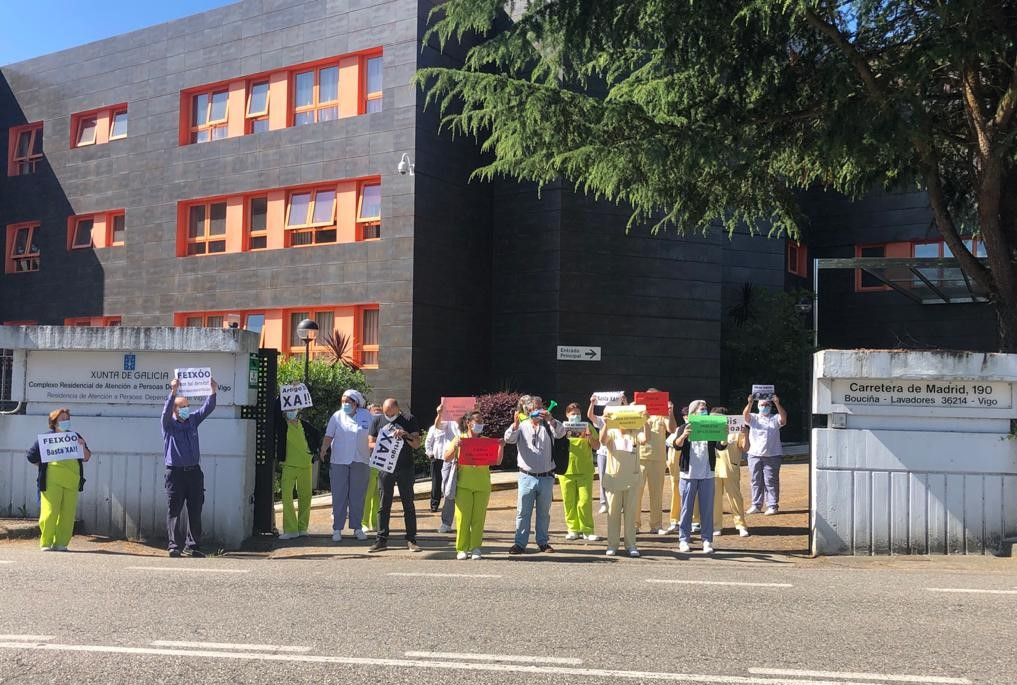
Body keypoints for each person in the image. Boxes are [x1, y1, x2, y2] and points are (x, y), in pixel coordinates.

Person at [161, 377, 217, 558]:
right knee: (174, 510)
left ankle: (192, 546)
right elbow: (165, 412)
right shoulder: (168, 425)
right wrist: (173, 392)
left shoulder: (193, 420)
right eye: (182, 407)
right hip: (175, 473)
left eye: (187, 406)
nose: (186, 409)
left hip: (193, 472)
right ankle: (173, 545)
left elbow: (207, 409)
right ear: (175, 409)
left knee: (195, 509)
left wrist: (213, 391)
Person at [504, 395, 564, 554]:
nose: (539, 411)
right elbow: (508, 439)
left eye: (540, 408)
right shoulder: (522, 426)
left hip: (546, 476)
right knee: (523, 512)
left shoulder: (548, 424)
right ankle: (520, 544)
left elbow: (561, 433)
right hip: (526, 476)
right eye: (535, 409)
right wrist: (514, 425)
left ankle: (543, 542)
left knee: (543, 513)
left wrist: (551, 419)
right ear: (528, 410)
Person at [25, 408, 91, 551]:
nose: (65, 421)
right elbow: (31, 456)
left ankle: (61, 543)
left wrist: (82, 445)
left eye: (67, 419)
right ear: (54, 422)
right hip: (51, 481)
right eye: (61, 419)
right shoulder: (46, 439)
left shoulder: (75, 437)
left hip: (72, 480)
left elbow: (86, 457)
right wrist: (42, 466)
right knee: (50, 511)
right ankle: (46, 542)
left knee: (68, 513)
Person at [443, 410, 504, 559]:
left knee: (478, 518)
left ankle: (476, 547)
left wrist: (501, 447)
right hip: (463, 485)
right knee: (463, 518)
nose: (480, 424)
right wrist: (455, 446)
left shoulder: (485, 441)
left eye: (482, 421)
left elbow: (497, 461)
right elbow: (446, 457)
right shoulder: (460, 438)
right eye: (477, 421)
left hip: (482, 485)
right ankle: (462, 548)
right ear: (469, 423)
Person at [368, 398, 422, 553]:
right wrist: (385, 441)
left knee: (408, 504)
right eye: (386, 414)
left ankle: (411, 539)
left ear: (398, 409)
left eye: (391, 414)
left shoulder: (408, 419)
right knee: (383, 505)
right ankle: (381, 540)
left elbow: (417, 444)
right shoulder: (377, 420)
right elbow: (370, 443)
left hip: (405, 467)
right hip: (385, 468)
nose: (388, 416)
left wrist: (405, 435)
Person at [669, 399, 723, 554]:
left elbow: (720, 446)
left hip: (707, 473)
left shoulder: (711, 426)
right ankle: (684, 539)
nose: (704, 411)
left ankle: (707, 540)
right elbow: (676, 446)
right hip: (688, 474)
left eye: (705, 409)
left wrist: (724, 435)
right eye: (701, 409)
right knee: (686, 508)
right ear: (693, 412)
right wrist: (684, 436)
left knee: (707, 509)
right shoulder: (684, 427)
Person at [320, 389, 373, 542]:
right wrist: (324, 449)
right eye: (343, 402)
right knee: (339, 495)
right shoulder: (337, 416)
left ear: (356, 403)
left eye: (347, 402)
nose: (345, 404)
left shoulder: (366, 416)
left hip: (361, 460)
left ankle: (357, 528)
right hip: (339, 461)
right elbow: (329, 435)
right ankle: (337, 529)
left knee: (358, 496)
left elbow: (374, 434)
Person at [600, 408, 646, 557]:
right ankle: (612, 545)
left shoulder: (636, 432)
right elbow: (602, 440)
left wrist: (645, 422)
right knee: (613, 514)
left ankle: (631, 545)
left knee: (630, 515)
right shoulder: (612, 432)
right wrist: (605, 424)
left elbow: (645, 439)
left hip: (631, 480)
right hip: (614, 480)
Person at [274, 400, 321, 540]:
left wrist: (312, 451)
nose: (291, 412)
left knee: (306, 497)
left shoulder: (304, 425)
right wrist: (285, 394)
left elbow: (317, 435)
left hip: (305, 464)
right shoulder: (282, 425)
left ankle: (302, 528)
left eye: (293, 409)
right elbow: (275, 410)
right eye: (288, 410)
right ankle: (290, 529)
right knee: (287, 497)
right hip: (289, 465)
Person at [634, 391, 677, 535]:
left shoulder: (663, 414)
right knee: (636, 493)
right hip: (639, 458)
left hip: (658, 459)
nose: (652, 401)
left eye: (655, 398)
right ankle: (634, 524)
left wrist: (670, 412)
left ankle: (656, 525)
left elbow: (672, 430)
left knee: (657, 494)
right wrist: (632, 405)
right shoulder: (638, 411)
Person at [559, 403, 600, 541]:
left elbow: (597, 446)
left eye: (578, 414)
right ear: (567, 415)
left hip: (584, 470)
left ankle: (587, 530)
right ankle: (573, 529)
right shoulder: (562, 428)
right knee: (569, 502)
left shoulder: (587, 426)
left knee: (585, 501)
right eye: (573, 414)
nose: (576, 416)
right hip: (566, 470)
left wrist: (589, 436)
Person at [708, 407, 750, 537]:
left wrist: (746, 434)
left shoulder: (736, 430)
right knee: (714, 499)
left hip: (731, 469)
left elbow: (745, 448)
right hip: (713, 469)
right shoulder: (709, 431)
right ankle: (716, 526)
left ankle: (741, 525)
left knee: (735, 498)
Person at [742, 393, 787, 515]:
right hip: (754, 454)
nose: (764, 407)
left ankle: (772, 505)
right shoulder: (754, 417)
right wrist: (750, 402)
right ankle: (756, 505)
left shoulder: (775, 418)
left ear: (771, 406)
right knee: (755, 480)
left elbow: (783, 418)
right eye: (762, 405)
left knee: (771, 481)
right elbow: (745, 416)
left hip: (773, 455)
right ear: (758, 406)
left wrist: (777, 403)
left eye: (767, 405)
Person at [587, 393, 627, 515]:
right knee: (603, 479)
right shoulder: (601, 421)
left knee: (618, 477)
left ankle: (620, 503)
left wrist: (625, 403)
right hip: (603, 453)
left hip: (617, 453)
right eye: (606, 411)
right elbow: (590, 415)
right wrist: (592, 403)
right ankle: (604, 503)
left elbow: (629, 415)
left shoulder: (621, 420)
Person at [427, 403, 460, 533]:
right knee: (448, 491)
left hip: (466, 460)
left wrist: (476, 411)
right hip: (448, 459)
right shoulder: (447, 421)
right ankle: (446, 523)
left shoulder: (469, 421)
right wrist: (440, 414)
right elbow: (438, 426)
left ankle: (467, 522)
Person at [665, 405, 690, 533]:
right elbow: (671, 445)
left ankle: (695, 520)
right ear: (685, 417)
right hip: (677, 469)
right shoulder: (679, 430)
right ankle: (675, 520)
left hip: (691, 469)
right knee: (676, 492)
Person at [361, 402, 384, 533]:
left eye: (380, 412)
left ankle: (374, 523)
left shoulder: (384, 427)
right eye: (375, 412)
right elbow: (367, 443)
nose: (378, 414)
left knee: (377, 496)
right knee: (367, 495)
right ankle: (363, 522)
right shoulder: (366, 427)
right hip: (369, 462)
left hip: (381, 464)